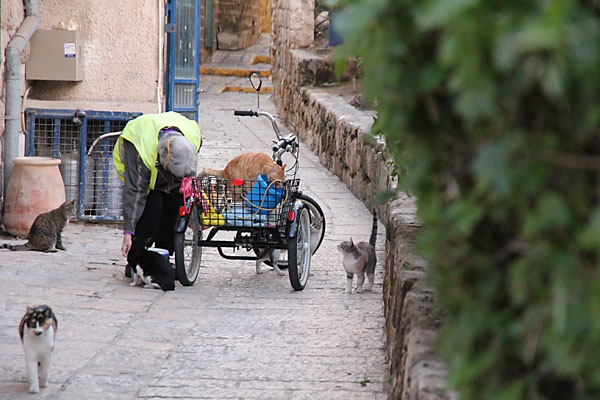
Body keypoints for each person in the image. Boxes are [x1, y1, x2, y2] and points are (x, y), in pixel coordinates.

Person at [113, 111, 202, 277]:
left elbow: (189, 172)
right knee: (151, 207)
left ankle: (164, 256)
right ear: (162, 160)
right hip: (139, 168)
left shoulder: (192, 136)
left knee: (174, 203)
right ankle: (138, 256)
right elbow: (134, 193)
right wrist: (128, 233)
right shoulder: (141, 149)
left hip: (163, 163)